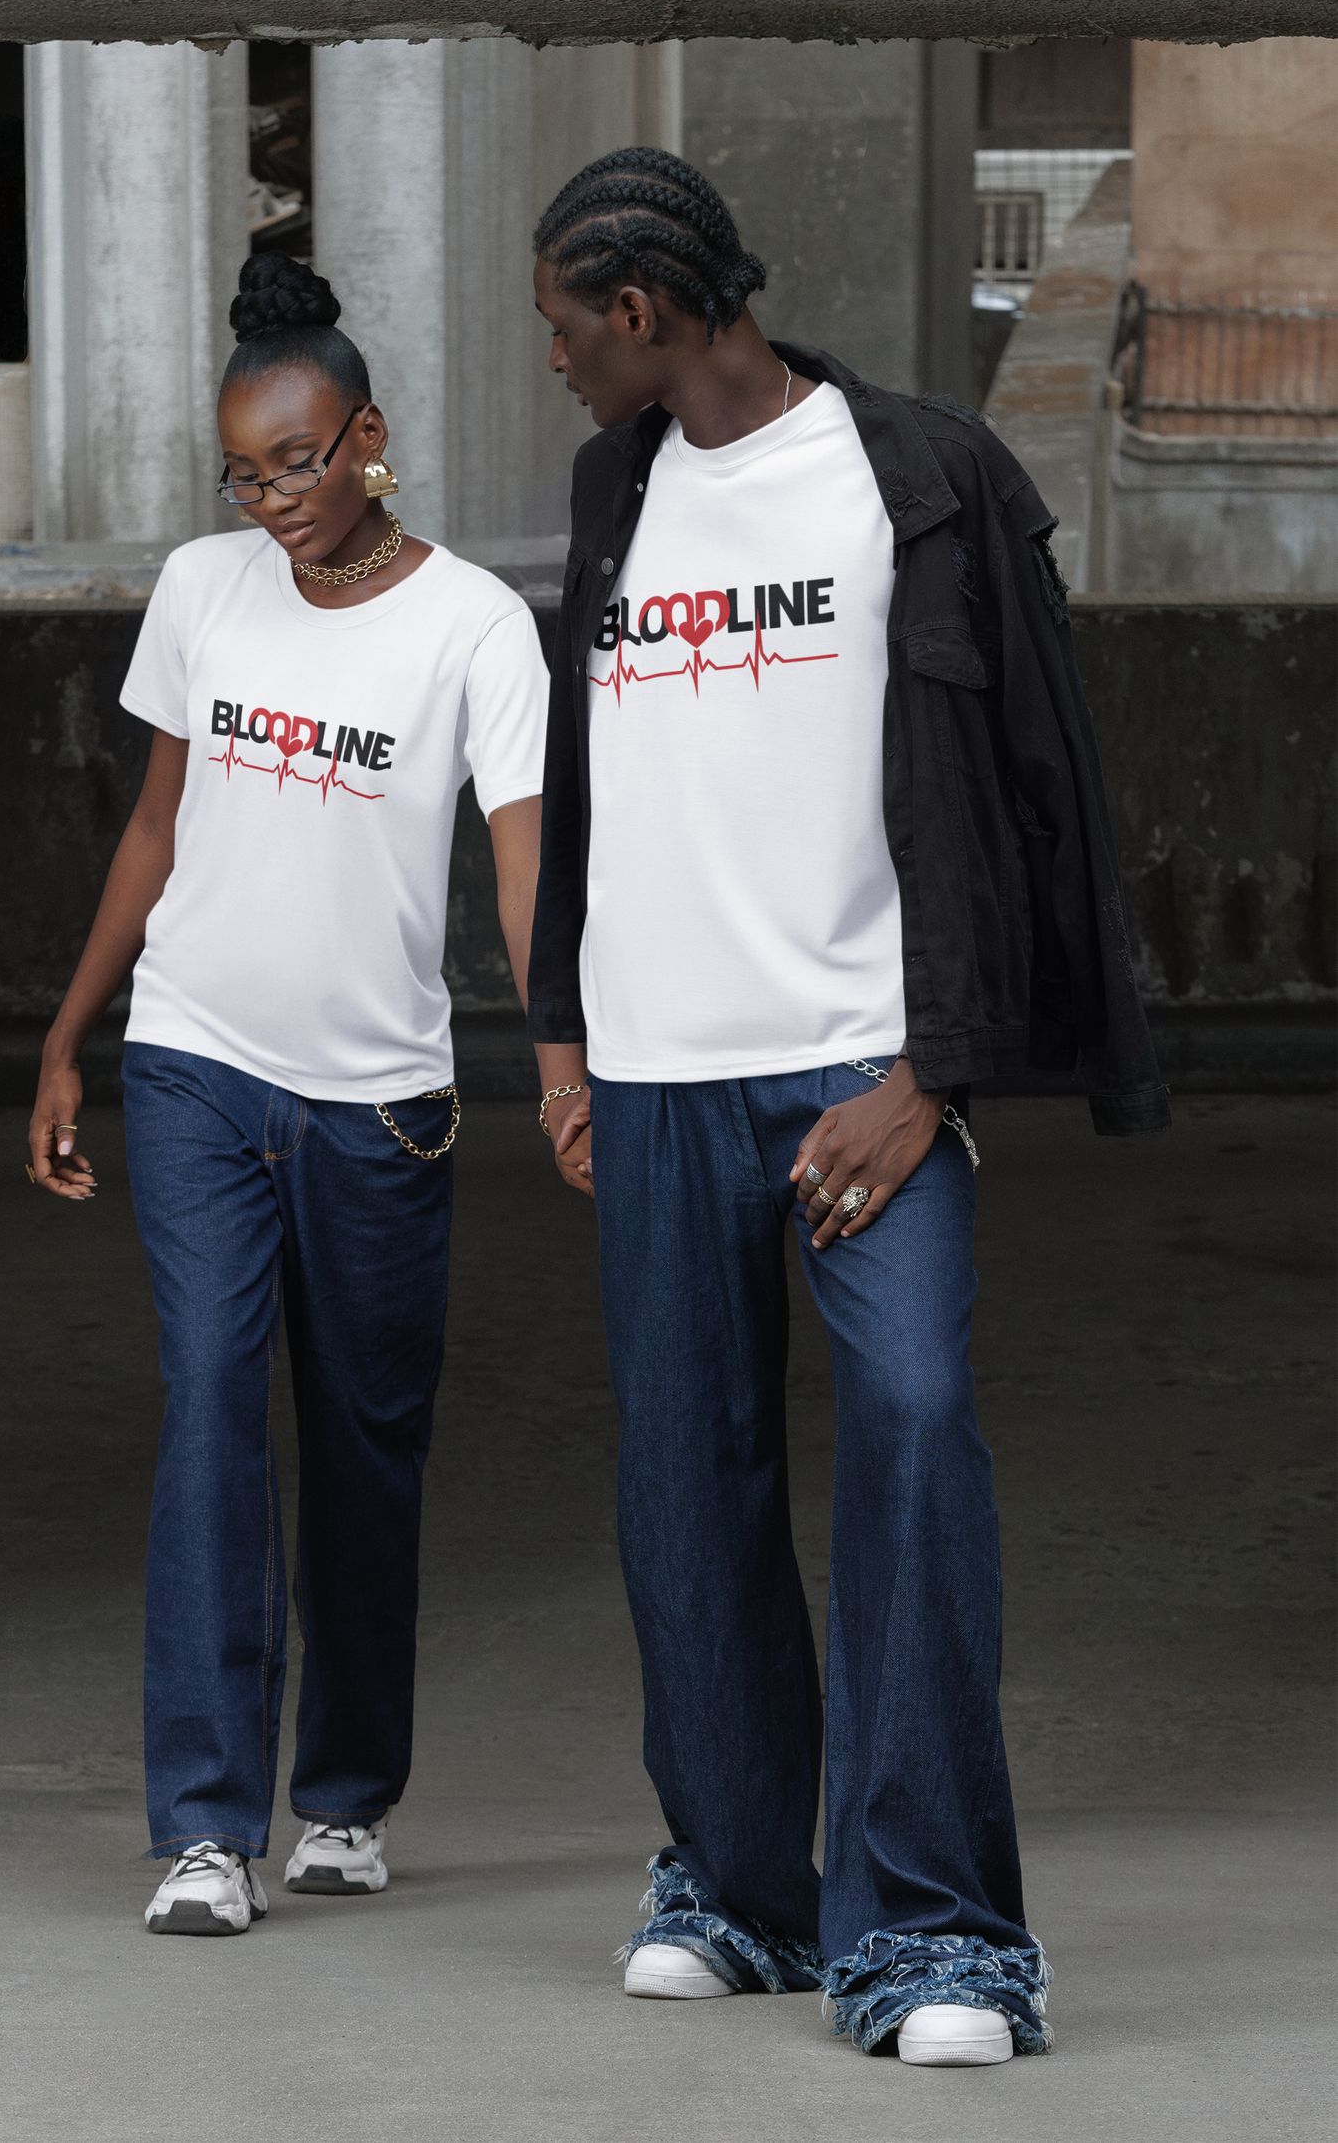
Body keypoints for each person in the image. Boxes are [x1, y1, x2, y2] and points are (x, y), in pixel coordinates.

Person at [527, 149, 1169, 2065]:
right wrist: (564, 1034)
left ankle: (944, 1934)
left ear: (641, 310)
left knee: (908, 1422)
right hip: (654, 1073)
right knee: (684, 1479)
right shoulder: (616, 482)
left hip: (856, 1073)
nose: (553, 358)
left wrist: (933, 1070)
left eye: (564, 325)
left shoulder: (919, 477)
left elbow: (1021, 790)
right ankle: (736, 1882)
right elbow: (596, 760)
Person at [28, 254, 549, 1935]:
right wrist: (69, 1030)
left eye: (301, 463)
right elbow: (157, 828)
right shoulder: (200, 589)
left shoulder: (475, 625)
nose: (272, 503)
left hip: (380, 1101)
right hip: (194, 1063)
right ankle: (202, 1822)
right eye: (245, 473)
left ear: (371, 439)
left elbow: (529, 868)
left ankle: (342, 1794)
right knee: (210, 1403)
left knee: (367, 1443)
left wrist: (565, 1051)